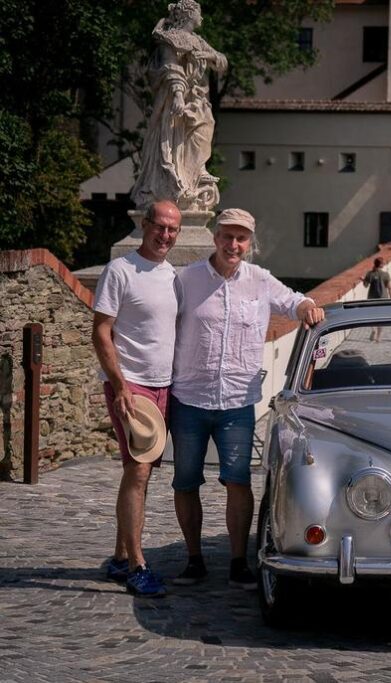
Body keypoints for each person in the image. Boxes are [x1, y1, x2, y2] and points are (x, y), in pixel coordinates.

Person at [170, 208, 324, 590]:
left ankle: (238, 563)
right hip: (189, 398)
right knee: (185, 482)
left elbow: (294, 301)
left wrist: (308, 307)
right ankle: (194, 560)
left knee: (237, 481)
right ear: (215, 237)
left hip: (237, 402)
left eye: (241, 238)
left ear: (249, 242)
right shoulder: (186, 279)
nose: (233, 244)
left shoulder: (260, 280)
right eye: (227, 236)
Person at [92, 199, 182, 597]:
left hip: (165, 386)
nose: (165, 235)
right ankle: (137, 565)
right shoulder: (120, 270)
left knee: (139, 473)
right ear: (144, 225)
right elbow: (100, 331)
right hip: (131, 386)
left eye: (172, 229)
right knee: (139, 471)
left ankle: (119, 556)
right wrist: (120, 386)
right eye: (159, 226)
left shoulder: (173, 276)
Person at [130, 0, 227, 212]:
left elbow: (222, 61)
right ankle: (179, 181)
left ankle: (196, 171)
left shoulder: (198, 41)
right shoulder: (169, 38)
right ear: (189, 15)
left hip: (197, 99)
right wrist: (178, 95)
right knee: (173, 140)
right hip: (175, 99)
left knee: (205, 128)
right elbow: (171, 68)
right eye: (199, 13)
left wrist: (210, 56)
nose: (202, 18)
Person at [363, 257, 391, 341]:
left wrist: (363, 279)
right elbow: (390, 287)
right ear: (381, 265)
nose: (384, 264)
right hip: (383, 299)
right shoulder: (385, 274)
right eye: (383, 263)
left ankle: (373, 330)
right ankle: (378, 337)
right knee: (381, 317)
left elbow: (365, 285)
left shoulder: (370, 273)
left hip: (372, 298)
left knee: (370, 316)